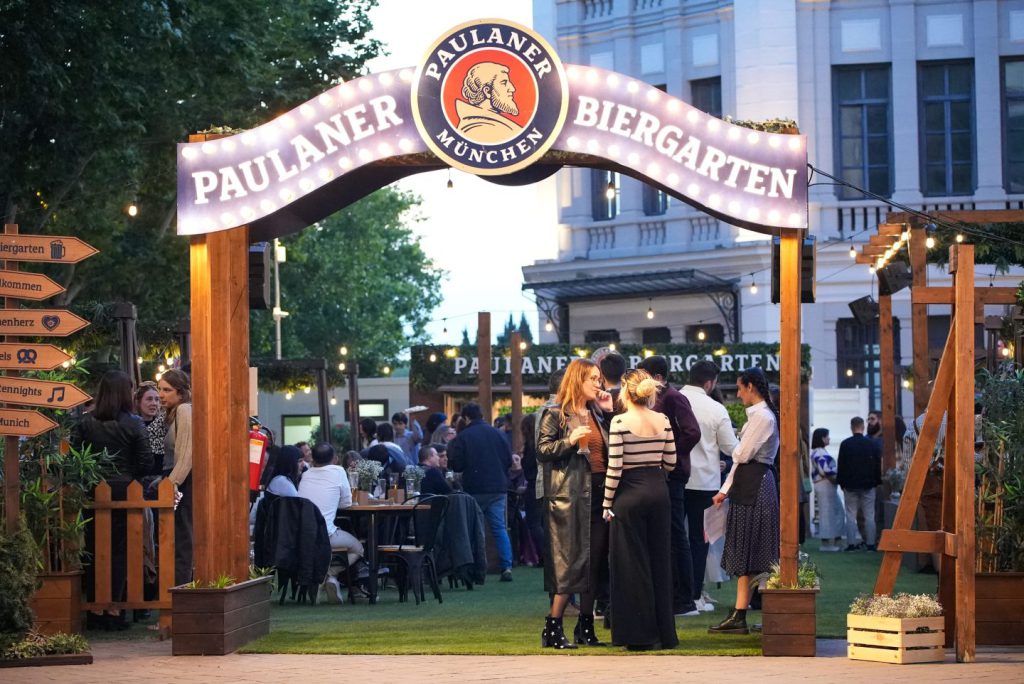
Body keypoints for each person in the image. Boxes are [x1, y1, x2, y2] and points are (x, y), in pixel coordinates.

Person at [536, 359, 614, 649]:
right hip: (569, 497)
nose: (598, 383)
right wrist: (569, 441)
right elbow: (542, 451)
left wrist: (609, 410)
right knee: (569, 565)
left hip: (598, 495)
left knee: (593, 563)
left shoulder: (596, 412)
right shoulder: (555, 413)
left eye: (599, 378)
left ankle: (586, 626)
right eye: (593, 378)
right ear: (577, 380)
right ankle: (553, 625)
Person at [602, 369, 679, 650]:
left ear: (625, 391)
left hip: (630, 495)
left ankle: (638, 635)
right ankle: (664, 634)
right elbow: (670, 462)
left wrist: (607, 503)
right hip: (659, 492)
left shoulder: (620, 422)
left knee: (631, 565)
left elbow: (615, 467)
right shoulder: (663, 420)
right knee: (660, 561)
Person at [73, 370, 154, 630]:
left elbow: (75, 458)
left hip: (92, 490)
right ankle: (115, 608)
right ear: (124, 393)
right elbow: (146, 461)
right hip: (125, 490)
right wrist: (130, 476)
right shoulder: (134, 423)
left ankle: (96, 608)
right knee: (122, 551)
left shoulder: (85, 423)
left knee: (94, 548)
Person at [709, 367, 780, 635]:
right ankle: (740, 614)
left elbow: (741, 453)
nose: (738, 394)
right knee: (747, 550)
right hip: (750, 483)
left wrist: (735, 446)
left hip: (756, 485)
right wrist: (725, 489)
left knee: (755, 550)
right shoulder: (760, 416)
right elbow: (740, 458)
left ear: (751, 387)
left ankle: (747, 614)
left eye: (740, 388)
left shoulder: (762, 417)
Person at [638, 355, 702, 617]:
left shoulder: (673, 398)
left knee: (677, 534)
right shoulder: (658, 399)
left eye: (644, 377)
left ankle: (684, 599)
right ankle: (671, 595)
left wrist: (671, 457)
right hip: (660, 474)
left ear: (658, 378)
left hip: (671, 475)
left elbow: (692, 431)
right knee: (668, 533)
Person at [680, 360, 737, 612]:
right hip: (705, 483)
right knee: (699, 541)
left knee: (674, 538)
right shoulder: (715, 409)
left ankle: (676, 593)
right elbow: (730, 448)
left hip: (675, 479)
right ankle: (693, 595)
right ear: (709, 383)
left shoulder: (672, 400)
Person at [449, 403, 515, 582]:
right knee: (499, 527)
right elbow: (509, 460)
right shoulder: (498, 433)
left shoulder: (464, 436)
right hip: (498, 486)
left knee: (475, 529)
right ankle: (506, 566)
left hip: (475, 487)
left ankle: (477, 567)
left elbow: (457, 464)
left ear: (466, 417)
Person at [297, 442, 365, 567]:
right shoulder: (338, 471)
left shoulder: (305, 475)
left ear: (313, 458)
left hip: (301, 535)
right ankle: (329, 575)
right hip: (325, 535)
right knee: (358, 548)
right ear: (334, 458)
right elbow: (346, 503)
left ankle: (325, 577)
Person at [158, 369, 194, 587]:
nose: (161, 394)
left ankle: (180, 597)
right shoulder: (174, 412)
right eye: (160, 389)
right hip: (177, 480)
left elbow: (187, 453)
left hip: (182, 482)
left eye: (167, 390)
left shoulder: (184, 410)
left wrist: (173, 483)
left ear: (180, 393)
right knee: (177, 539)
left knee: (182, 540)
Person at [836, 416, 882, 551]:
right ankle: (871, 544)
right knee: (869, 515)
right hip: (868, 484)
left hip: (850, 485)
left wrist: (842, 483)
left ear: (852, 427)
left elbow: (841, 465)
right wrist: (877, 481)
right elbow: (877, 464)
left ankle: (851, 544)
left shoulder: (845, 444)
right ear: (863, 427)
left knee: (850, 515)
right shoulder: (871, 444)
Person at [456, 62, 524, 143]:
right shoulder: (478, 129)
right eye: (504, 83)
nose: (512, 89)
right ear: (487, 91)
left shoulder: (493, 123)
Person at [810, 428, 843, 551]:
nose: (829, 438)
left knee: (834, 511)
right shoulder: (820, 453)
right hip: (825, 483)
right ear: (822, 438)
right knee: (827, 513)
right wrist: (838, 477)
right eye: (827, 436)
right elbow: (825, 470)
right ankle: (827, 543)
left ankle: (833, 540)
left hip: (825, 484)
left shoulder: (818, 452)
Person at [519, 412, 545, 569]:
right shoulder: (543, 443)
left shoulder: (531, 446)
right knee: (542, 523)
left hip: (534, 486)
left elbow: (528, 467)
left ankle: (544, 555)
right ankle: (546, 555)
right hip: (545, 485)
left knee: (534, 524)